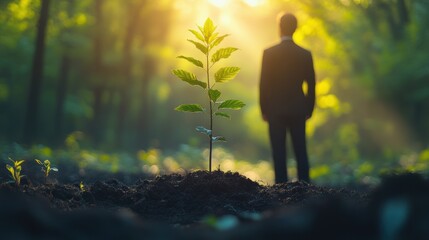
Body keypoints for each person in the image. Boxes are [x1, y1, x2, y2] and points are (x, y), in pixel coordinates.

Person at [260, 13, 316, 183]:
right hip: (298, 109)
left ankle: (281, 188)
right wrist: (309, 108)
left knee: (278, 151)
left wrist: (264, 109)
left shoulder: (268, 53)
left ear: (279, 28)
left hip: (275, 110)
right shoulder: (305, 54)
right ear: (296, 28)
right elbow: (311, 85)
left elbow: (263, 84)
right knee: (301, 150)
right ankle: (305, 187)